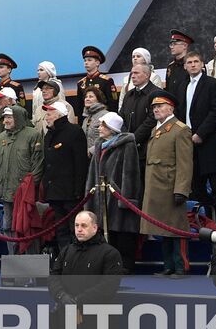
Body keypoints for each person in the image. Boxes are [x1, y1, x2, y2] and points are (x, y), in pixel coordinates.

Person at [142, 92, 194, 277]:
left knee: (176, 228)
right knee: (162, 228)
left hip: (171, 186)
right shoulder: (157, 129)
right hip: (157, 187)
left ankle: (181, 266)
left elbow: (185, 163)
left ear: (171, 108)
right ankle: (169, 266)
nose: (156, 109)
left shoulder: (180, 129)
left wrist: (181, 189)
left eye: (160, 106)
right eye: (154, 107)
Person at [86, 112, 140, 269]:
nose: (100, 128)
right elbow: (92, 173)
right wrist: (90, 194)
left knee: (122, 234)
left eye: (103, 125)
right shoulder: (99, 145)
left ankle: (125, 265)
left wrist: (127, 199)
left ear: (112, 128)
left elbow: (130, 173)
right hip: (100, 196)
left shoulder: (127, 145)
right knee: (106, 232)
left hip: (118, 197)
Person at [0, 104, 43, 254]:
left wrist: (31, 188)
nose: (5, 120)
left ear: (18, 117)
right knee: (7, 226)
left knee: (27, 227)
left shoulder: (32, 135)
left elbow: (38, 164)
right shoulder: (0, 138)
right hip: (6, 193)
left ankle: (31, 261)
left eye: (9, 117)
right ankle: (14, 260)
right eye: (4, 117)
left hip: (25, 194)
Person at [181, 49, 216, 222]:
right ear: (185, 66)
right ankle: (205, 222)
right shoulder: (183, 86)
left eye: (196, 62)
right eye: (189, 62)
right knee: (197, 186)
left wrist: (200, 133)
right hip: (188, 140)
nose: (193, 65)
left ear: (202, 64)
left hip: (209, 141)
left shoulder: (212, 84)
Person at [42, 102, 88, 256]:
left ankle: (77, 259)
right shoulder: (48, 135)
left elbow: (80, 163)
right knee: (60, 229)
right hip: (54, 191)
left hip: (70, 192)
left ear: (59, 114)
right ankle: (64, 259)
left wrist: (78, 190)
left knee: (75, 227)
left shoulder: (75, 132)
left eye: (49, 114)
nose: (46, 117)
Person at [76, 45, 118, 117]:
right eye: (85, 60)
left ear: (97, 63)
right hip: (87, 120)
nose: (86, 63)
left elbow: (113, 104)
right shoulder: (81, 83)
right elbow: (80, 107)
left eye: (89, 60)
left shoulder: (106, 81)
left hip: (103, 119)